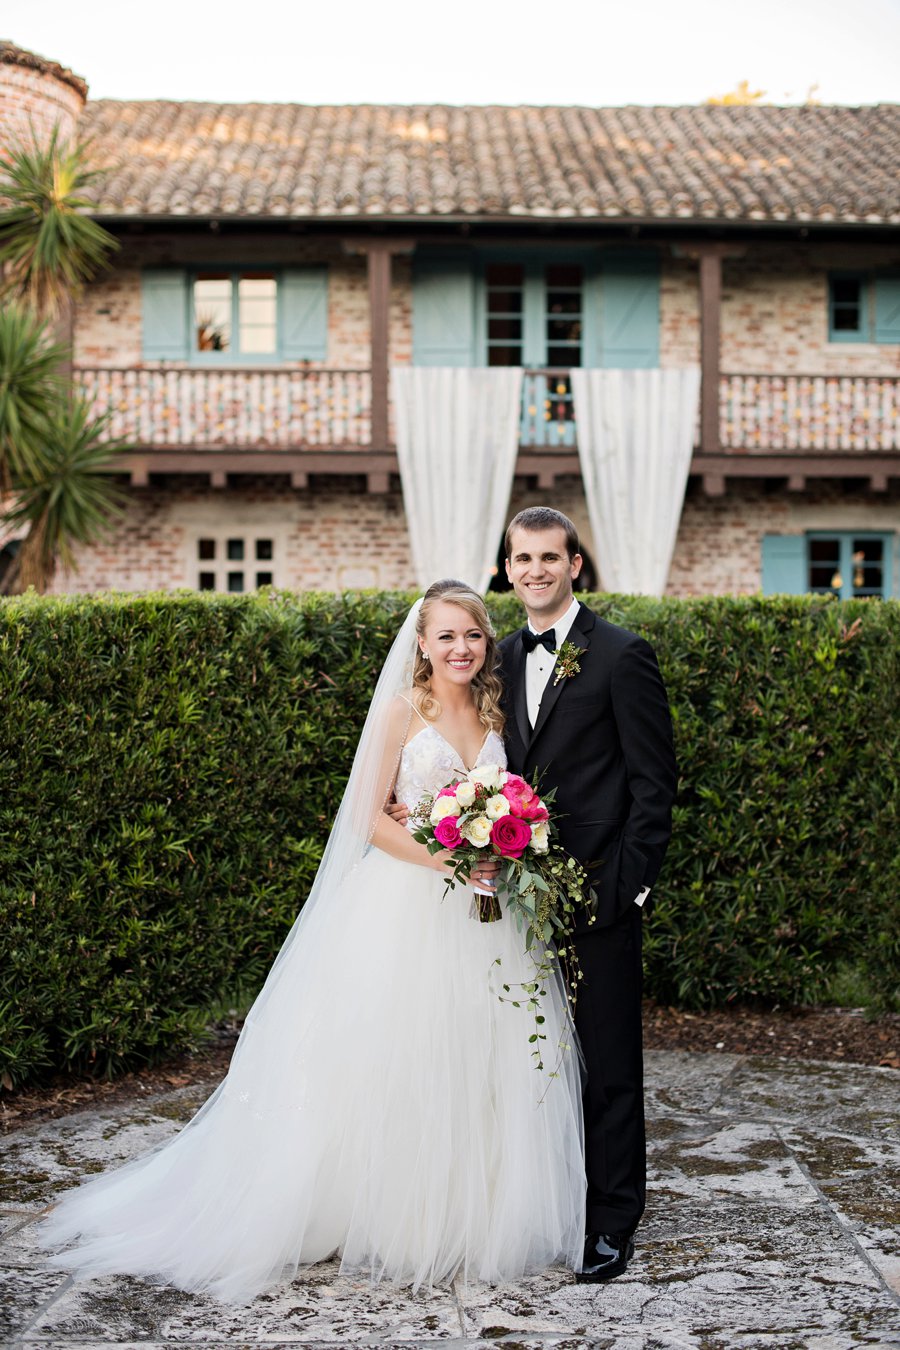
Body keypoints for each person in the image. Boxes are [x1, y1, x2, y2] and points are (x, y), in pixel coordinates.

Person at [39, 582, 585, 1304]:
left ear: (489, 644)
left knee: (485, 1057)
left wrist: (498, 850)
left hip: (487, 911)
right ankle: (395, 1214)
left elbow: (512, 796)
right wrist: (448, 858)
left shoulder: (498, 713)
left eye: (473, 636)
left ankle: (473, 1212)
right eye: (446, 636)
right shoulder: (399, 713)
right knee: (398, 1057)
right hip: (406, 905)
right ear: (421, 643)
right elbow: (368, 820)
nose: (460, 649)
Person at [498, 508, 677, 1283]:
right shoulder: (497, 657)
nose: (535, 570)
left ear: (576, 564)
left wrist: (626, 890)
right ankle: (547, 1205)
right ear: (507, 569)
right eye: (521, 558)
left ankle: (610, 1222)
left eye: (549, 557)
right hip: (509, 897)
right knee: (529, 1064)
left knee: (606, 1067)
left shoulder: (622, 656)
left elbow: (653, 785)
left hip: (596, 894)